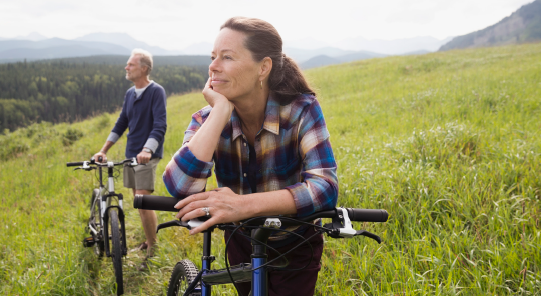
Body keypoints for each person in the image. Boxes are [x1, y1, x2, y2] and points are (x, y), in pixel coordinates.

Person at [162, 17, 338, 295]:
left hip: (296, 241)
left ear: (263, 68)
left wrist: (243, 206)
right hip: (241, 241)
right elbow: (179, 186)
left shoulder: (301, 110)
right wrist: (220, 112)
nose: (213, 66)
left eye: (227, 57)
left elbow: (325, 187)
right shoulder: (206, 120)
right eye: (213, 57)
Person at [94, 48, 167, 271]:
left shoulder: (156, 91)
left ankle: (153, 250)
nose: (126, 67)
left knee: (143, 201)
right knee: (137, 200)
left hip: (146, 155)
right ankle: (148, 240)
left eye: (131, 64)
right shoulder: (129, 94)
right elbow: (121, 123)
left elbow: (160, 125)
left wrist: (147, 150)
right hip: (130, 154)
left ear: (144, 68)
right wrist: (104, 149)